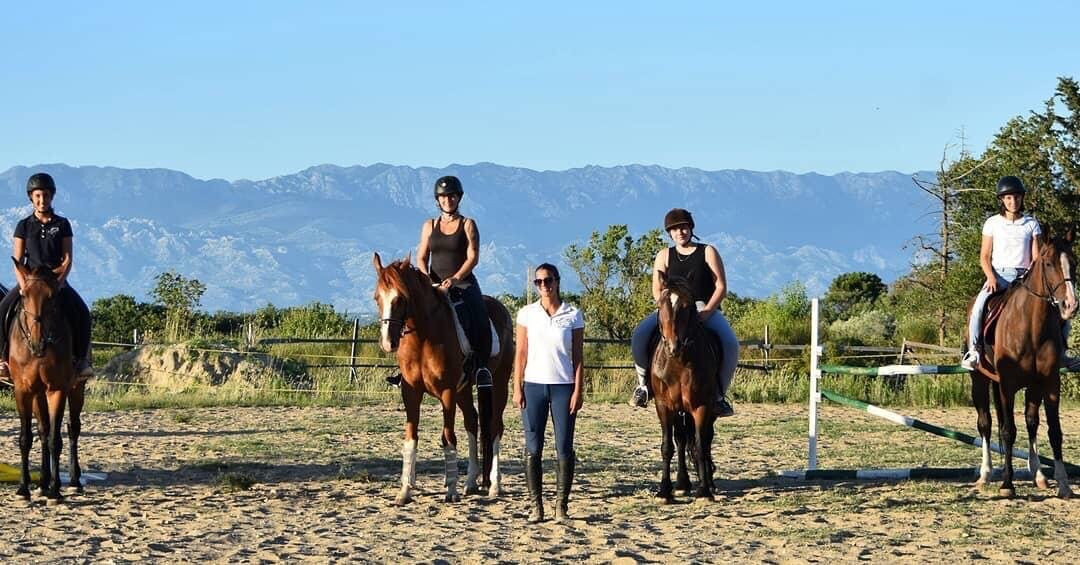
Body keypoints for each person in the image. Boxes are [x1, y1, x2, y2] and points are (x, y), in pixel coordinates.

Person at [629, 208, 739, 417]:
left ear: (691, 228)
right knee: (639, 335)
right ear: (669, 233)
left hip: (700, 307)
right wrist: (665, 308)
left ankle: (718, 396)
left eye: (684, 227)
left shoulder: (707, 251)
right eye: (675, 229)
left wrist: (707, 311)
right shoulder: (664, 255)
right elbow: (656, 288)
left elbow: (721, 286)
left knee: (730, 343)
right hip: (670, 308)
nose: (680, 232)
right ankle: (643, 386)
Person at [0, 172, 93, 383]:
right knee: (2, 309)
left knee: (82, 312)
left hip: (55, 281)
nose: (42, 200)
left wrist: (59, 284)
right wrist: (23, 285)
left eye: (46, 196)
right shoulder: (23, 226)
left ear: (52, 197)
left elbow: (67, 259)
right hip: (30, 282)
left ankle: (81, 361)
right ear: (31, 198)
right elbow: (17, 260)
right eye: (38, 196)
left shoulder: (62, 224)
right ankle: (3, 360)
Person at [513, 263, 584, 523]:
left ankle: (561, 506)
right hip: (533, 386)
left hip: (563, 387)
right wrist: (516, 386)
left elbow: (577, 357)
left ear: (557, 281)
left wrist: (578, 389)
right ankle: (536, 506)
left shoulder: (573, 314)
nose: (544, 285)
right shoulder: (527, 314)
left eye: (548, 280)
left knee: (564, 446)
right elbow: (520, 352)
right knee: (533, 447)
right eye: (539, 282)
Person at [412, 175, 493, 387]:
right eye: (444, 197)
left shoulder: (467, 224)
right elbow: (421, 257)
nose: (448, 200)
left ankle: (481, 365)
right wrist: (426, 278)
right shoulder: (429, 225)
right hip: (434, 284)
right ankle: (407, 367)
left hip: (462, 282)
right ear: (437, 200)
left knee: (477, 313)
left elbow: (473, 257)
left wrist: (455, 278)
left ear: (459, 198)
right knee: (408, 314)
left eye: (452, 196)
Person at [961, 176, 1045, 370]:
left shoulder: (1031, 224)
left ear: (1021, 198)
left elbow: (1036, 257)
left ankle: (1061, 353)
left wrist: (1031, 276)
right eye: (1008, 198)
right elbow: (984, 256)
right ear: (1002, 200)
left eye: (1016, 197)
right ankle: (974, 350)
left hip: (1025, 276)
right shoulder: (992, 223)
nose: (1012, 202)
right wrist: (991, 277)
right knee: (979, 307)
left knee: (1056, 307)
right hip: (999, 275)